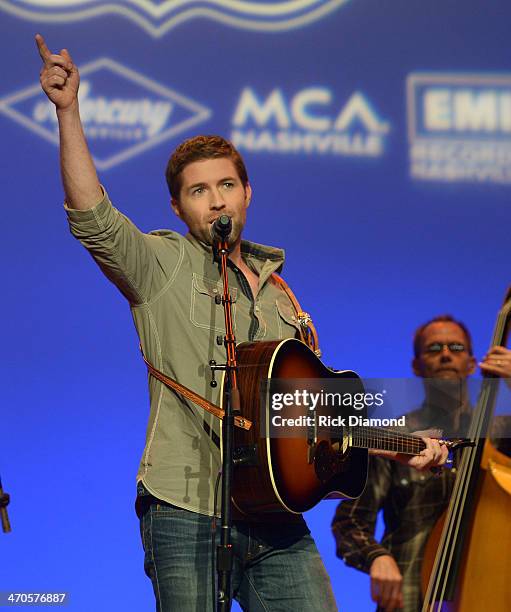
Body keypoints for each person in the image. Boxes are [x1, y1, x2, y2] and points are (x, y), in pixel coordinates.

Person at [35, 34, 449, 611]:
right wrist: (68, 112)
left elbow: (313, 424)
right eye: (198, 191)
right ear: (179, 209)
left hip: (276, 520)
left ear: (247, 193)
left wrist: (398, 445)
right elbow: (94, 220)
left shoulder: (285, 297)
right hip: (185, 509)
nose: (216, 200)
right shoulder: (163, 265)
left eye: (226, 185)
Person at [332, 314, 511, 612]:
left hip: (487, 593)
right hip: (412, 598)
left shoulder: (500, 437)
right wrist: (377, 556)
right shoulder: (394, 439)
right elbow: (349, 521)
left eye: (455, 347)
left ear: (472, 363)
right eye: (433, 348)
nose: (445, 355)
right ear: (416, 366)